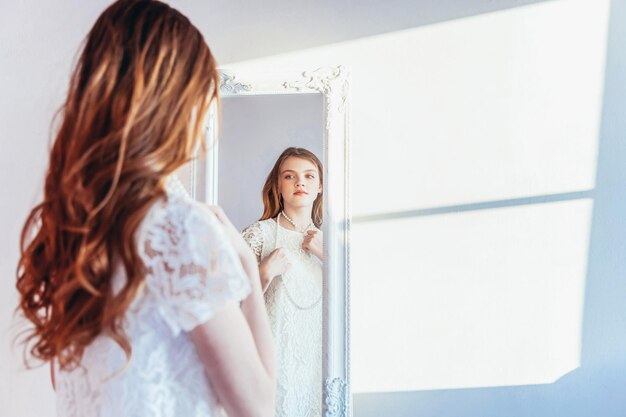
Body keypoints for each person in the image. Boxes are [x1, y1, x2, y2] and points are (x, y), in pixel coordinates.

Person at [15, 1, 275, 417]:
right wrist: (245, 263)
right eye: (199, 96)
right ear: (172, 102)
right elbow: (258, 405)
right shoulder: (178, 228)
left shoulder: (75, 231)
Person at [242, 147, 324, 417]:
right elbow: (230, 306)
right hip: (275, 360)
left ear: (320, 186)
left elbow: (352, 307)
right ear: (278, 186)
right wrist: (263, 273)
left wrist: (326, 255)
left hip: (318, 364)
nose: (300, 182)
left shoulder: (332, 243)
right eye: (290, 176)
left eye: (309, 176)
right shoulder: (259, 235)